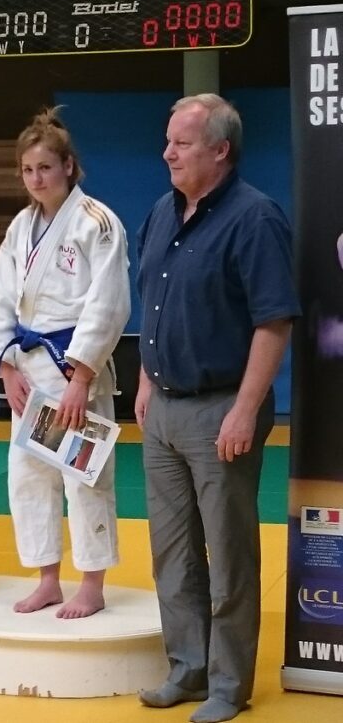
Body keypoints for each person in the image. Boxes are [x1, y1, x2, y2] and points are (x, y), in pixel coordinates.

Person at [135, 95, 298, 723]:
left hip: (222, 408)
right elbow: (151, 302)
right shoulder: (161, 211)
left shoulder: (256, 218)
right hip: (163, 408)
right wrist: (146, 381)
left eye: (181, 143)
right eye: (168, 141)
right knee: (172, 553)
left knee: (229, 556)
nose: (167, 153)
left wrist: (246, 409)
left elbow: (274, 321)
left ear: (220, 150)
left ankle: (229, 686)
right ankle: (187, 669)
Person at [0, 108, 130, 619]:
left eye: (45, 167)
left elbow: (109, 303)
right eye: (27, 170)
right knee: (28, 478)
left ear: (68, 165)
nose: (36, 179)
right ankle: (47, 579)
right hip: (28, 370)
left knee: (84, 478)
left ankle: (91, 585)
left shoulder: (96, 222)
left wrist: (82, 377)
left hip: (72, 370)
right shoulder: (21, 227)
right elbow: (1, 298)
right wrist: (4, 367)